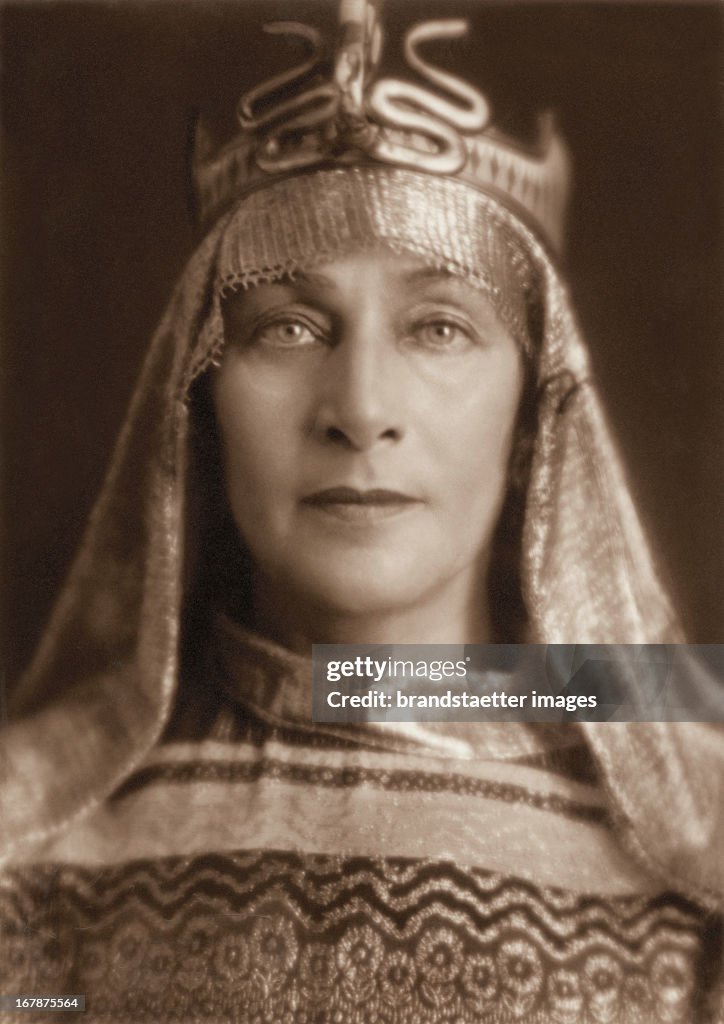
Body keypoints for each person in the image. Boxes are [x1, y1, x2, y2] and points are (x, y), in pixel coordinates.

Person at [1, 1, 722, 1021]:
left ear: (533, 422)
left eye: (439, 326)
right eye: (288, 326)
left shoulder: (699, 870)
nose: (361, 410)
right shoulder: (31, 853)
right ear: (196, 398)